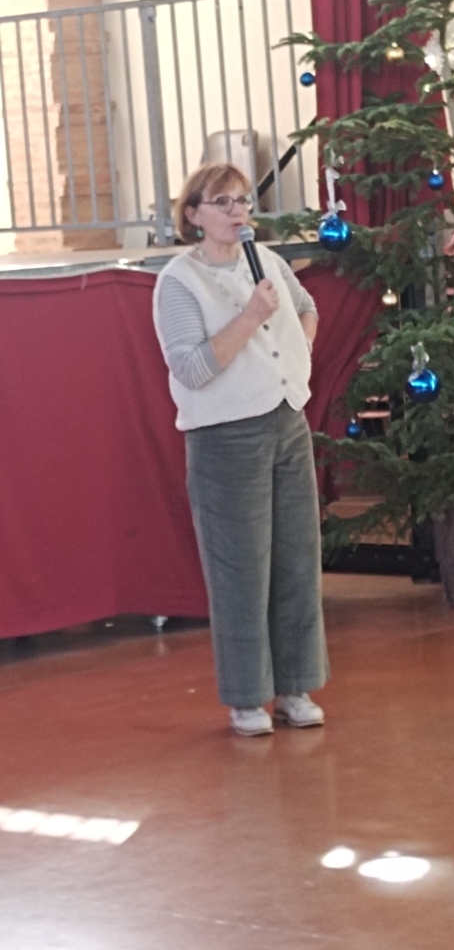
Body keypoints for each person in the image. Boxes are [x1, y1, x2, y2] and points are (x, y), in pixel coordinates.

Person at [153, 162, 329, 736]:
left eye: (243, 201)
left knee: (296, 561)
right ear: (193, 215)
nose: (238, 212)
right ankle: (249, 698)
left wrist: (298, 356)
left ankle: (296, 686)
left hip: (286, 422)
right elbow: (191, 367)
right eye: (222, 202)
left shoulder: (268, 260)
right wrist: (251, 317)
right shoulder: (179, 281)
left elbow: (307, 307)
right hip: (226, 435)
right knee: (241, 573)